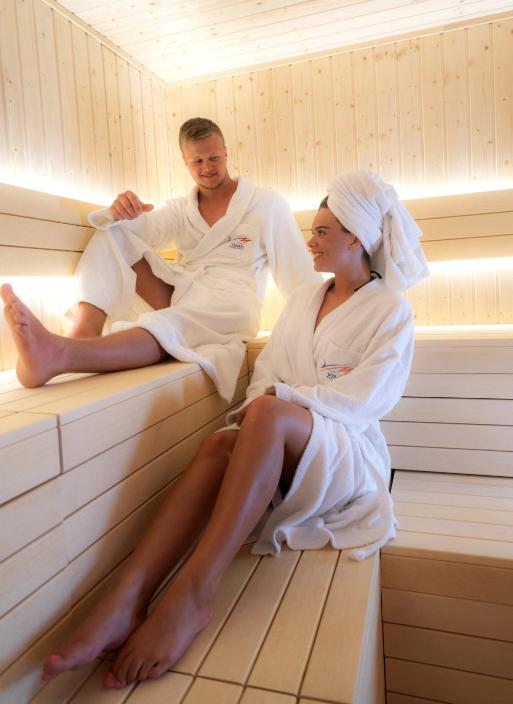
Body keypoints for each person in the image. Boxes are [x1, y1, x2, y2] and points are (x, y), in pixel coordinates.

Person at [41, 169, 429, 689]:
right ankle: (127, 597)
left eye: (322, 232)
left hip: (348, 452)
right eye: (312, 231)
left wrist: (280, 402)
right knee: (218, 445)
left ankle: (194, 593)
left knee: (265, 412)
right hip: (292, 438)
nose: (310, 241)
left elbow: (368, 399)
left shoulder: (391, 311)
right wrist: (269, 401)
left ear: (356, 238)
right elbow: (268, 372)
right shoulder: (304, 301)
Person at [0, 118, 317, 401]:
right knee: (114, 233)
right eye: (197, 161)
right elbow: (143, 229)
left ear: (225, 152)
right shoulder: (182, 209)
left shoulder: (266, 204)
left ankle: (60, 355)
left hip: (230, 303)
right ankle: (84, 331)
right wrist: (123, 210)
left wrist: (319, 328)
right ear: (185, 161)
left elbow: (299, 276)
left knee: (171, 323)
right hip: (185, 291)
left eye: (214, 158)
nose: (207, 167)